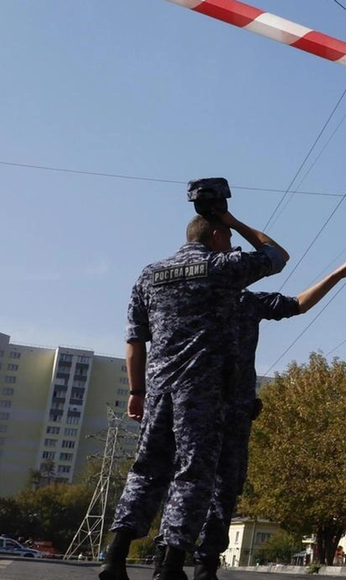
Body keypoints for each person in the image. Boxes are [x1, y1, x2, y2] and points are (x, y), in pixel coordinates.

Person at [99, 211, 288, 580]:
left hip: (157, 390)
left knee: (146, 471)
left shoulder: (149, 274)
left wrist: (137, 391)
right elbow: (277, 255)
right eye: (227, 237)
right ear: (217, 235)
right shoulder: (222, 268)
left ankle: (115, 555)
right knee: (193, 475)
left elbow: (134, 340)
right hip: (202, 392)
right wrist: (236, 222)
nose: (231, 245)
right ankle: (171, 564)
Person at [182, 250, 346, 580]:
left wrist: (338, 274)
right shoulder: (194, 299)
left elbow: (298, 304)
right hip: (201, 408)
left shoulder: (246, 302)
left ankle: (204, 562)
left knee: (223, 488)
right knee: (192, 483)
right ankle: (173, 557)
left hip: (227, 411)